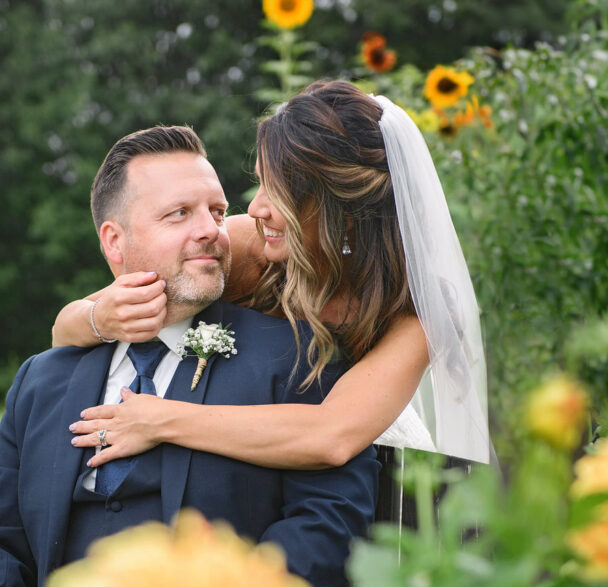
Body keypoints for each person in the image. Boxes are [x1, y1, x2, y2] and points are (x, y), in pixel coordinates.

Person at [0, 124, 379, 587]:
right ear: (114, 242)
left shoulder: (295, 356)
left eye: (216, 209)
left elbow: (329, 520)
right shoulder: (43, 379)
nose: (211, 230)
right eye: (179, 214)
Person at [54, 80, 494, 471]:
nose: (257, 207)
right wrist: (101, 319)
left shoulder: (414, 308)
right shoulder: (247, 245)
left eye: (279, 190)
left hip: (367, 467)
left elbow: (334, 436)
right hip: (249, 466)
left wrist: (160, 419)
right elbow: (64, 329)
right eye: (260, 183)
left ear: (341, 207)